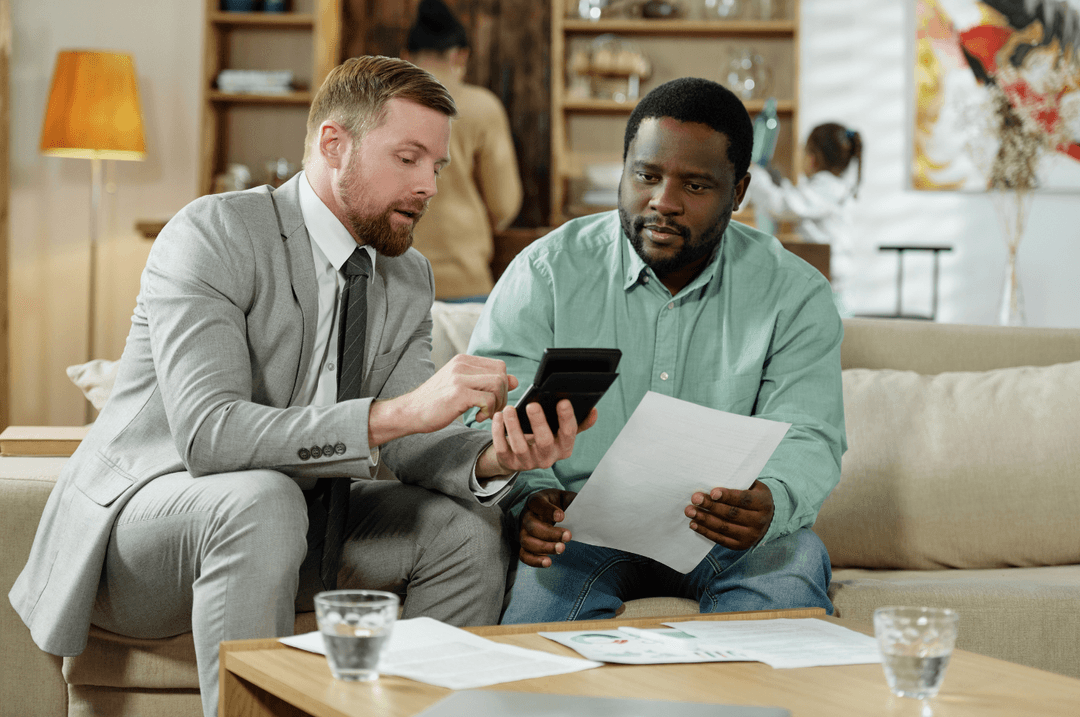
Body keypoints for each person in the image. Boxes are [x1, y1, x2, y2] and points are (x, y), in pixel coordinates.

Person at [9, 56, 590, 717]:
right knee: (261, 500)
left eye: (438, 166)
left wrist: (495, 456)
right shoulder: (215, 233)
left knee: (466, 528)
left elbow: (406, 446)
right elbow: (210, 435)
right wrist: (397, 412)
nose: (429, 185)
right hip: (146, 531)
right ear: (332, 144)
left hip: (307, 521)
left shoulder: (407, 275)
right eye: (408, 158)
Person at [466, 77, 847, 624]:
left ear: (738, 193)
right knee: (538, 648)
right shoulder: (546, 271)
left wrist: (772, 499)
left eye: (695, 186)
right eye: (646, 176)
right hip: (579, 527)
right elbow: (489, 413)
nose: (662, 202)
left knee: (792, 573)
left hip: (725, 532)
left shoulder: (795, 293)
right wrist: (533, 498)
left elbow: (811, 431)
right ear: (623, 169)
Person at [402, 0, 523, 301]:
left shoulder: (377, 106)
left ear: (405, 57)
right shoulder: (482, 107)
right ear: (461, 55)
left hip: (392, 285)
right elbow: (504, 205)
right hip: (464, 280)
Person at [746, 122, 863, 309]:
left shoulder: (826, 188)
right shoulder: (833, 187)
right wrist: (779, 183)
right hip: (834, 285)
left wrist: (755, 176)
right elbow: (798, 199)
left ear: (812, 158)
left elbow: (781, 206)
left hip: (832, 289)